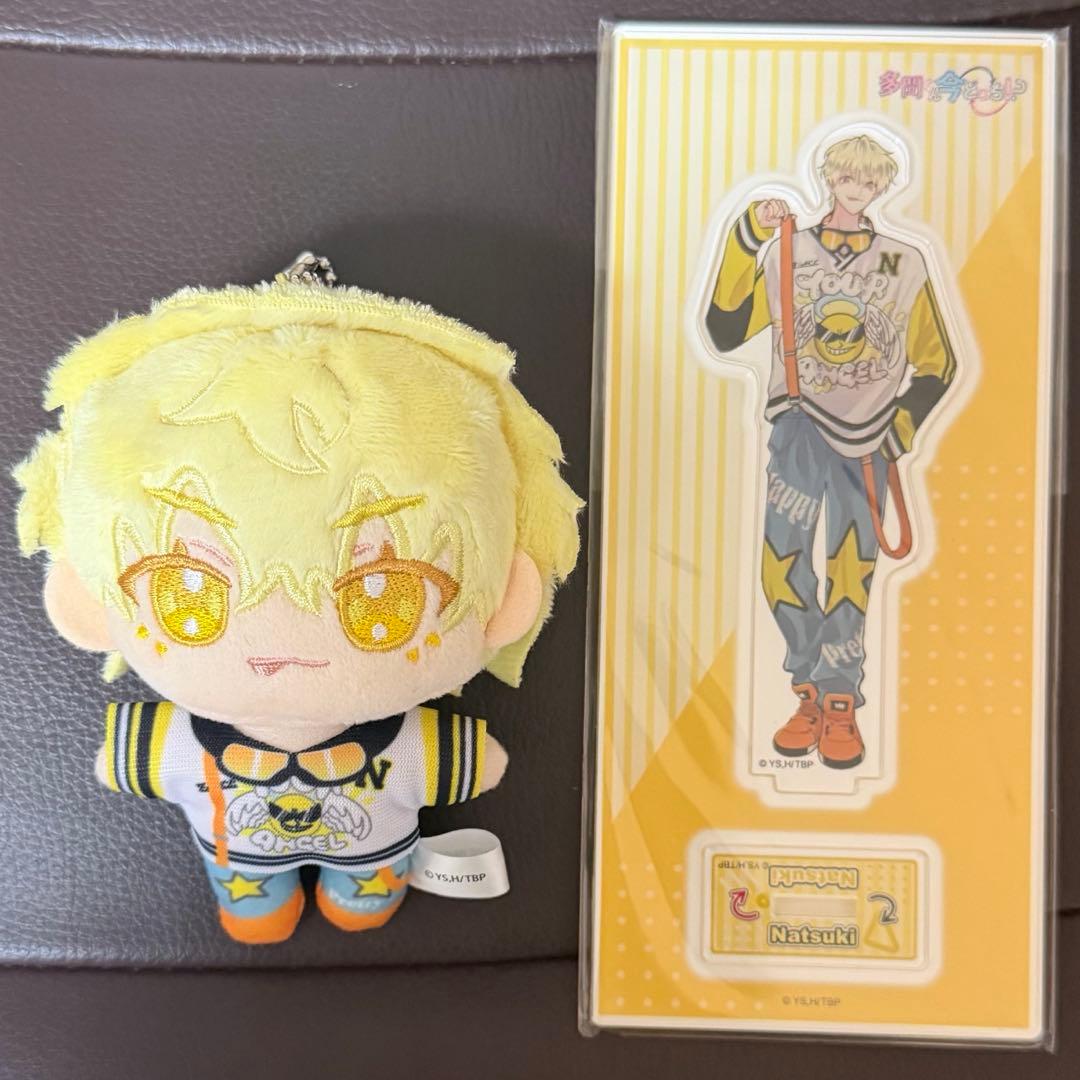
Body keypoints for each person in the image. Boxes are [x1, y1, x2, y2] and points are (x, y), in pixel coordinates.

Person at [14, 275, 581, 941]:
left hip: (374, 862)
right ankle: (259, 906)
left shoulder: (408, 751)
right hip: (241, 868)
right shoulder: (177, 749)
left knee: (365, 896)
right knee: (254, 903)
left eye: (383, 598)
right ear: (87, 601)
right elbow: (484, 763)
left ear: (505, 600)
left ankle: (358, 899)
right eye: (187, 594)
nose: (284, 642)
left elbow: (473, 762)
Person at [706, 133, 956, 769]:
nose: (858, 188)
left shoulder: (905, 261)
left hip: (870, 438)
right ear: (829, 177)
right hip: (797, 426)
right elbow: (724, 329)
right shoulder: (789, 252)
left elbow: (937, 363)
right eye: (848, 176)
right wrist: (745, 238)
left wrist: (902, 425)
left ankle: (839, 700)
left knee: (851, 569)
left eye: (870, 181)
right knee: (780, 563)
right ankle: (808, 689)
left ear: (882, 187)